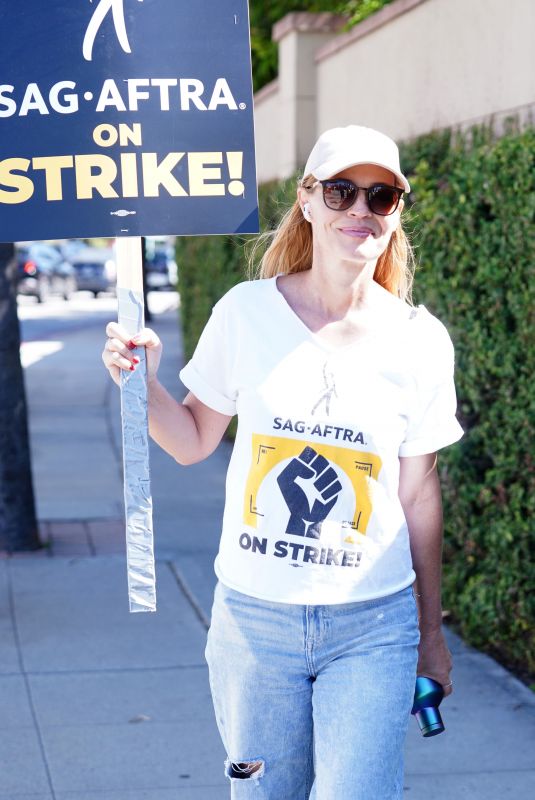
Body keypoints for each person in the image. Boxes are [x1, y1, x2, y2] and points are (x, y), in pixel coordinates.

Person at [102, 125, 464, 799]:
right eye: (340, 191)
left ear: (395, 213)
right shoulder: (246, 313)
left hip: (372, 624)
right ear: (306, 200)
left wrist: (430, 632)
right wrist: (140, 384)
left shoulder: (419, 341)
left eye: (379, 196)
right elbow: (189, 441)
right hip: (253, 624)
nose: (359, 209)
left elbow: (418, 497)